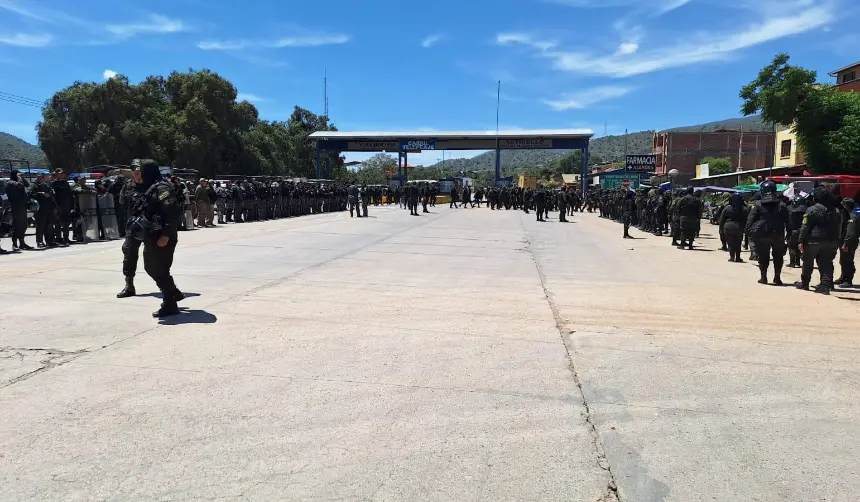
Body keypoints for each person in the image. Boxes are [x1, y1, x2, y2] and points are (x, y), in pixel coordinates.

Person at [137, 160, 185, 317]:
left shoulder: (162, 188)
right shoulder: (151, 187)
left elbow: (173, 213)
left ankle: (170, 303)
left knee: (160, 269)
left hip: (163, 235)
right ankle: (172, 292)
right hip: (153, 235)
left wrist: (165, 235)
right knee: (151, 267)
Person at [795, 186, 841, 294]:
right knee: (826, 263)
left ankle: (805, 283)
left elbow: (805, 227)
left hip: (813, 241)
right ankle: (825, 286)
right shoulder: (836, 211)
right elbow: (839, 226)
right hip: (830, 241)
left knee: (807, 262)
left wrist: (800, 240)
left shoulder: (812, 209)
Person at [745, 181, 788, 285]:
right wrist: (789, 235)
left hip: (762, 235)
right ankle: (777, 278)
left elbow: (750, 220)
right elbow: (788, 222)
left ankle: (763, 277)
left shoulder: (758, 204)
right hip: (778, 235)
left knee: (763, 256)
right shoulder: (782, 205)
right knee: (778, 257)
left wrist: (748, 233)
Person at [117, 165, 147, 298]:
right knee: (129, 253)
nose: (137, 174)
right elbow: (123, 206)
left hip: (150, 225)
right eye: (135, 172)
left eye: (139, 172)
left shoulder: (152, 184)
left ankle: (166, 286)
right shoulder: (127, 187)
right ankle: (129, 285)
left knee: (155, 259)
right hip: (133, 226)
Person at [28, 173, 57, 247]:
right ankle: (39, 241)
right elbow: (29, 193)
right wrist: (41, 194)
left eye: (42, 177)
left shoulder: (46, 185)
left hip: (48, 208)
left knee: (49, 225)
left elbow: (51, 193)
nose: (41, 178)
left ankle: (49, 241)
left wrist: (49, 195)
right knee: (40, 226)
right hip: (39, 208)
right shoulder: (33, 185)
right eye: (39, 177)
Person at [6, 170, 32, 250]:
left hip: (22, 206)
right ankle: (14, 244)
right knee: (16, 225)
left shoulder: (19, 180)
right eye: (18, 174)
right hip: (16, 207)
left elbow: (28, 185)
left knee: (24, 225)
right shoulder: (10, 183)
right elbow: (20, 185)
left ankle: (22, 243)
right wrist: (19, 177)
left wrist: (22, 178)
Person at [719, 192, 748, 263]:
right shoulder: (744, 209)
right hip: (739, 228)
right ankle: (738, 257)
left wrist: (720, 229)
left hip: (728, 228)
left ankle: (732, 257)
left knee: (730, 243)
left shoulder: (727, 208)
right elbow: (747, 220)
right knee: (738, 242)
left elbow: (722, 220)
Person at [836, 198, 858, 287]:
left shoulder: (853, 216)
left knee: (848, 261)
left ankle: (848, 280)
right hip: (844, 241)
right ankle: (843, 277)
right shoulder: (846, 215)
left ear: (846, 206)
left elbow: (851, 231)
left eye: (843, 205)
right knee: (843, 260)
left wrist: (846, 243)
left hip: (849, 242)